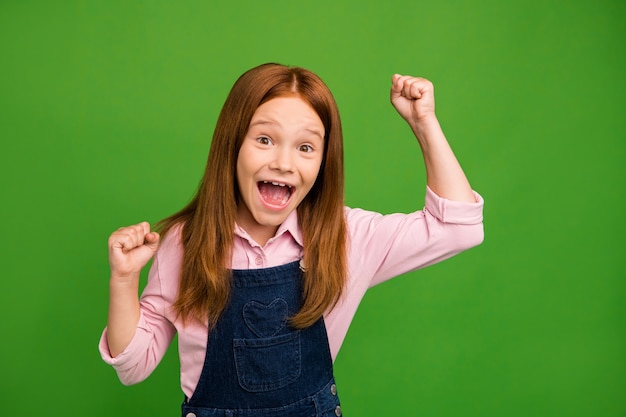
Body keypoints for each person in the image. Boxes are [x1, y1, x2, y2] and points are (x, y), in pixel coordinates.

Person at [99, 63, 484, 416]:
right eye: (264, 139)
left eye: (305, 147)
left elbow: (459, 228)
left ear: (322, 161)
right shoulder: (185, 244)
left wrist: (424, 124)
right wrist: (123, 280)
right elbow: (133, 367)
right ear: (232, 144)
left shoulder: (346, 237)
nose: (284, 162)